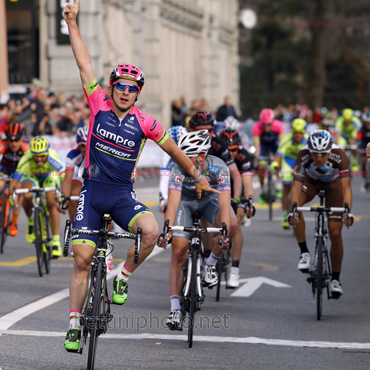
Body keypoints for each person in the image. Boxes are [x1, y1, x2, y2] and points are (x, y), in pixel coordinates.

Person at [63, 0, 216, 352]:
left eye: (132, 87)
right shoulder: (98, 103)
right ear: (112, 86)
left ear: (138, 93)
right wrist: (72, 23)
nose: (125, 91)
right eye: (121, 85)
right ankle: (73, 323)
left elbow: (174, 150)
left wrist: (196, 174)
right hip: (93, 191)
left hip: (120, 195)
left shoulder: (145, 122)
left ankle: (122, 278)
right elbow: (84, 63)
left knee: (151, 232)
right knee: (82, 259)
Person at [158, 130, 235, 330]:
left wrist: (224, 232)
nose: (182, 159)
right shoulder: (178, 167)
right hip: (185, 202)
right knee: (177, 251)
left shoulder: (219, 167)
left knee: (231, 224)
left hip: (210, 201)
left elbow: (225, 205)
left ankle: (210, 263)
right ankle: (175, 308)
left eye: (188, 155)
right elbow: (173, 205)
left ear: (202, 155)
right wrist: (167, 229)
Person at [288, 130, 354, 299]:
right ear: (309, 150)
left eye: (323, 154)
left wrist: (347, 211)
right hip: (310, 183)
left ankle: (335, 279)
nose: (319, 158)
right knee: (294, 206)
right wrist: (294, 209)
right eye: (315, 154)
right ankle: (304, 252)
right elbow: (296, 185)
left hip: (333, 185)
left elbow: (346, 187)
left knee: (335, 232)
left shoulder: (339, 154)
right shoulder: (303, 154)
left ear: (330, 150)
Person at [11, 136, 65, 256]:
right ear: (31, 154)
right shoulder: (26, 158)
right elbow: (15, 181)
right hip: (32, 176)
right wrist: (12, 195)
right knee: (26, 194)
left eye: (42, 156)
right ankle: (31, 222)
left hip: (50, 176)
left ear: (47, 153)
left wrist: (62, 195)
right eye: (36, 156)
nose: (39, 159)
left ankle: (56, 241)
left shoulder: (52, 158)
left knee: (51, 204)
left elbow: (65, 177)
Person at [218, 128, 255, 288]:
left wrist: (249, 202)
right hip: (218, 187)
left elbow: (247, 184)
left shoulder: (243, 156)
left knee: (237, 222)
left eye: (234, 150)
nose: (232, 153)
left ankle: (235, 270)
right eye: (228, 150)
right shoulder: (215, 153)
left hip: (236, 190)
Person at [270, 118, 308, 229]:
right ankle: (284, 215)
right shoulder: (286, 139)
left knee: (299, 187)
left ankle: (297, 210)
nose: (298, 135)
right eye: (295, 132)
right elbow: (278, 156)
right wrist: (275, 166)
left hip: (300, 163)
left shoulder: (307, 141)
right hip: (288, 161)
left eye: (300, 132)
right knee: (286, 186)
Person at [0, 123, 29, 236]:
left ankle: (13, 223)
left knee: (18, 191)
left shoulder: (26, 147)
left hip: (20, 171)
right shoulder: (3, 144)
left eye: (16, 140)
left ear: (21, 138)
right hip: (5, 169)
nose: (13, 143)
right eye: (10, 140)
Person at [253, 108, 284, 204]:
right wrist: (257, 157)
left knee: (277, 164)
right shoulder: (256, 127)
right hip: (264, 146)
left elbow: (282, 143)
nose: (266, 127)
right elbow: (257, 144)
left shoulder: (278, 125)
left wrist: (279, 157)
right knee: (261, 167)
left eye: (268, 125)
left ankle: (278, 185)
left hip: (275, 145)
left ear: (273, 121)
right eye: (264, 125)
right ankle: (262, 190)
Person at [60, 125, 88, 219]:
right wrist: (64, 200)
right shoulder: (73, 156)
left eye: (89, 144)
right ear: (78, 145)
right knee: (72, 193)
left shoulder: (101, 153)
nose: (86, 148)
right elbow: (67, 181)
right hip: (83, 176)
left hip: (101, 179)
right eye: (83, 145)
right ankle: (75, 229)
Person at [158, 125, 188, 213]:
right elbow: (164, 178)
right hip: (174, 181)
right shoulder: (166, 155)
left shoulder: (189, 146)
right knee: (167, 208)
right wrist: (163, 200)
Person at [357, 112, 370, 193]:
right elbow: (358, 140)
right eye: (367, 123)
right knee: (363, 161)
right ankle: (365, 180)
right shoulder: (361, 129)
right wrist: (358, 147)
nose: (368, 125)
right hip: (364, 146)